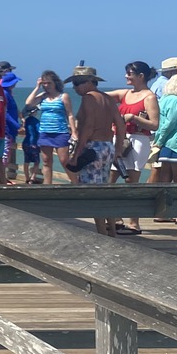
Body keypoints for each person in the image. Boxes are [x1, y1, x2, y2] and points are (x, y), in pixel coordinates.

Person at [64, 65, 128, 236]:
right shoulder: (107, 98)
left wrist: (77, 154)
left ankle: (101, 234)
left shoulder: (88, 99)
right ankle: (112, 232)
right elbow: (121, 126)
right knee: (104, 190)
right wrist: (118, 149)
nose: (76, 87)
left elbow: (88, 127)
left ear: (91, 82)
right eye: (74, 83)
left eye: (79, 83)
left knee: (94, 194)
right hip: (107, 146)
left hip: (93, 147)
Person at [104, 61, 160, 234]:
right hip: (119, 138)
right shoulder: (125, 93)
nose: (126, 76)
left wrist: (133, 118)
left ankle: (134, 222)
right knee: (110, 179)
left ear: (140, 76)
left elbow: (154, 124)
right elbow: (102, 96)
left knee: (131, 181)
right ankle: (114, 218)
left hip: (138, 140)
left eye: (129, 73)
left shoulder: (149, 97)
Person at [24, 70, 76, 185]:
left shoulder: (63, 96)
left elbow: (70, 115)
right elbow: (28, 103)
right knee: (46, 161)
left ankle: (75, 183)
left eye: (48, 83)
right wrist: (37, 87)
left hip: (60, 132)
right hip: (45, 132)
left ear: (55, 83)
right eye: (44, 83)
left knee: (64, 160)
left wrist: (74, 132)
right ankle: (48, 185)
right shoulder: (43, 97)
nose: (46, 86)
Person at [0, 70, 22, 183]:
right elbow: (6, 113)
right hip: (7, 129)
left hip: (8, 128)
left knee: (5, 153)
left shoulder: (5, 92)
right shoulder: (5, 94)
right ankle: (3, 178)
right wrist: (18, 126)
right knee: (5, 153)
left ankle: (3, 177)